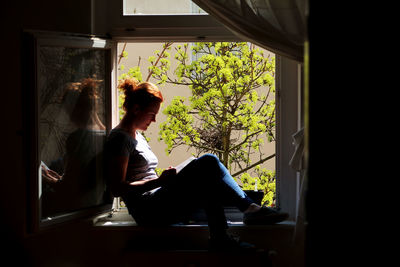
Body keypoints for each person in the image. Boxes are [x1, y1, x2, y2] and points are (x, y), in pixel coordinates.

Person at [104, 78, 288, 251]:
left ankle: (221, 237)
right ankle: (248, 211)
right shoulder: (120, 139)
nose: (153, 120)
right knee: (209, 161)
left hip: (157, 200)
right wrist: (160, 182)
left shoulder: (137, 136)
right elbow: (117, 189)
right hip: (149, 211)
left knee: (207, 176)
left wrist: (169, 178)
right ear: (136, 109)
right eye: (152, 114)